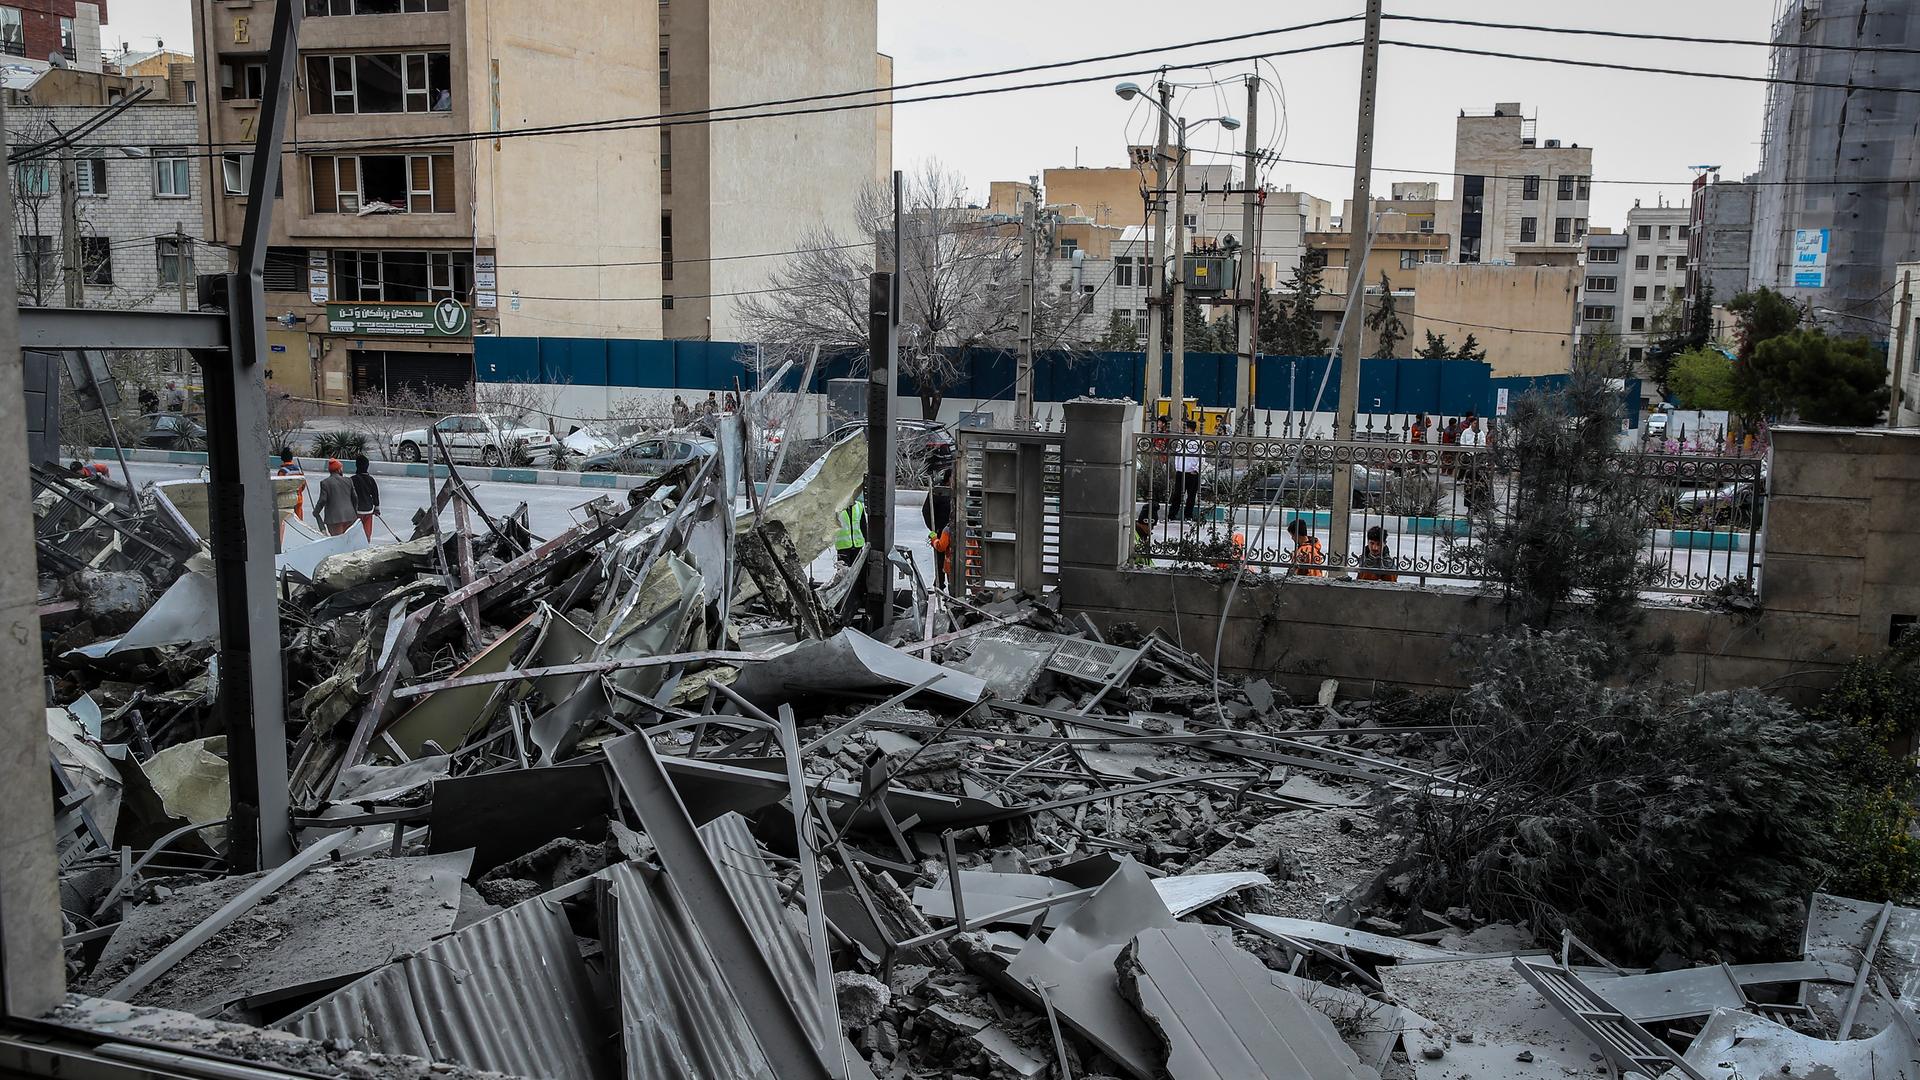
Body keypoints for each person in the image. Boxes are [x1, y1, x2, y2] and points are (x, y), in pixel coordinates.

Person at [921, 462, 954, 589]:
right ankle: (939, 585)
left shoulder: (960, 492)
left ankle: (952, 586)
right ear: (948, 478)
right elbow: (926, 511)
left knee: (953, 560)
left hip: (956, 531)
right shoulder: (937, 492)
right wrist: (934, 529)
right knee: (940, 559)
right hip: (942, 531)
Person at [314, 458, 358, 536]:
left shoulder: (325, 483)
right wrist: (354, 512)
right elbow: (355, 498)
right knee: (348, 539)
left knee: (338, 540)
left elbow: (323, 500)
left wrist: (316, 511)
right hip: (350, 517)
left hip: (334, 519)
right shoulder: (348, 480)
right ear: (338, 470)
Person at [1170, 418, 1203, 523]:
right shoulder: (1182, 440)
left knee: (1191, 496)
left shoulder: (1198, 441)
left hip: (1192, 473)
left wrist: (1196, 469)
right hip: (1181, 471)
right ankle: (1172, 515)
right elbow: (1177, 454)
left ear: (1190, 429)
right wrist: (1178, 468)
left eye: (1186, 428)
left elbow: (1202, 457)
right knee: (1177, 494)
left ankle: (1188, 516)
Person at [351, 455, 380, 540]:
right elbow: (375, 494)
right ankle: (366, 544)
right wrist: (377, 508)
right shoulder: (371, 479)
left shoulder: (352, 479)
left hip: (356, 511)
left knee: (355, 532)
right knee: (367, 533)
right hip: (368, 510)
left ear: (357, 466)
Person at [834, 494, 868, 565]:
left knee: (858, 570)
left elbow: (863, 525)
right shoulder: (836, 508)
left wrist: (867, 541)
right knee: (843, 570)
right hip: (843, 547)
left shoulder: (859, 506)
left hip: (857, 545)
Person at [276, 448, 306, 521]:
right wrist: (298, 492)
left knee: (286, 521)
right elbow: (303, 484)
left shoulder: (282, 472)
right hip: (298, 499)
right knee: (298, 521)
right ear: (291, 458)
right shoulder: (299, 470)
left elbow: (280, 487)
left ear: (282, 459)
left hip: (287, 501)